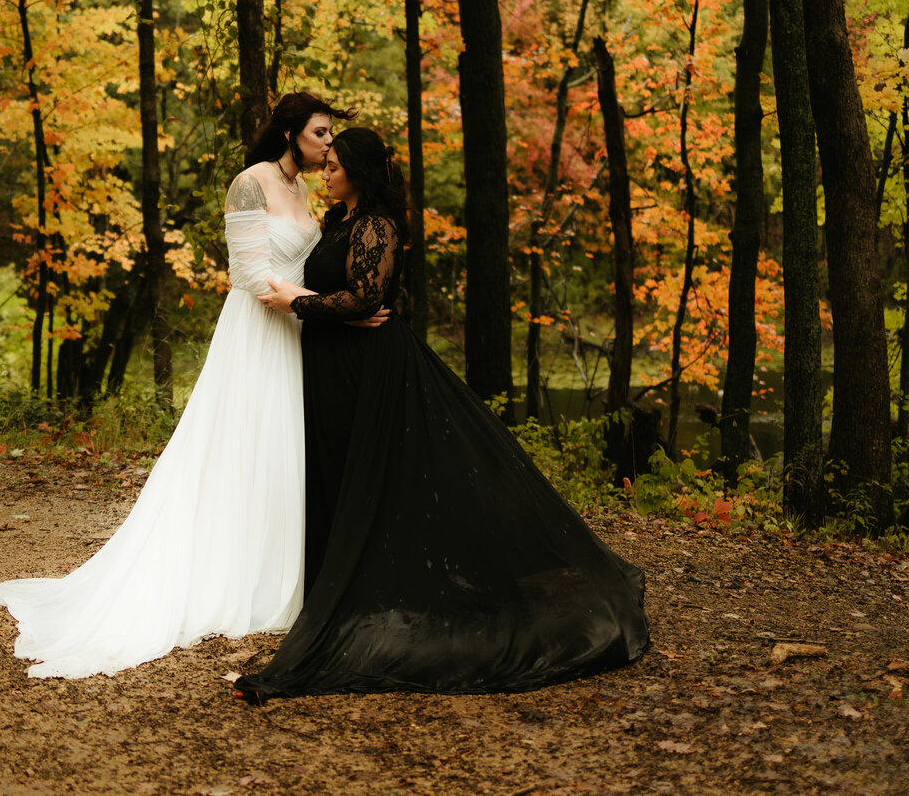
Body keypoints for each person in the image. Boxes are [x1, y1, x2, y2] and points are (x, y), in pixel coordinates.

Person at [235, 127, 650, 700]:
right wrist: (328, 308)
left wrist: (296, 303)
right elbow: (351, 296)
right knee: (335, 473)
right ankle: (329, 581)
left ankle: (373, 591)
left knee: (382, 479)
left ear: (357, 171)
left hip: (370, 370)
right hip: (332, 370)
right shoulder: (337, 223)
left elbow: (366, 298)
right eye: (324, 164)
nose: (324, 173)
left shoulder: (377, 224)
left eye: (333, 165)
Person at [0, 92, 353, 678]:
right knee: (240, 447)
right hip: (259, 329)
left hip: (297, 329)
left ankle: (277, 571)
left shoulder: (303, 190)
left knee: (280, 453)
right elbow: (252, 275)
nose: (329, 144)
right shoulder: (249, 183)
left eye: (331, 135)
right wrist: (329, 306)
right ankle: (226, 575)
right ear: (290, 133)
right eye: (321, 133)